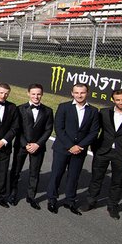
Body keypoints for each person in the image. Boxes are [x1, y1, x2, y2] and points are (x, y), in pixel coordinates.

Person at [85, 89, 122, 219]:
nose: (121, 102)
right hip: (102, 151)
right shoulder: (104, 112)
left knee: (117, 182)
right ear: (113, 100)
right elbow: (95, 130)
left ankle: (112, 206)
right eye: (118, 100)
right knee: (96, 178)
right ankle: (91, 201)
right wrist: (95, 148)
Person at [46, 83, 100, 214]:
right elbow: (59, 128)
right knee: (56, 174)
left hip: (80, 150)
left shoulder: (93, 111)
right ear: (72, 93)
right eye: (76, 92)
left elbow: (94, 131)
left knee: (74, 176)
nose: (79, 95)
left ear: (87, 93)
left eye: (82, 93)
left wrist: (80, 146)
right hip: (62, 148)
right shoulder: (64, 107)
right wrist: (70, 146)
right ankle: (52, 200)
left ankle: (70, 201)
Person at [9, 84, 54, 209]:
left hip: (38, 147)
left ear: (42, 94)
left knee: (35, 172)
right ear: (28, 93)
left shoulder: (48, 111)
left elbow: (48, 129)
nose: (36, 96)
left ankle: (31, 196)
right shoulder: (20, 109)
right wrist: (26, 144)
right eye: (33, 94)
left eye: (38, 94)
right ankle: (12, 193)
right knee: (16, 171)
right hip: (22, 145)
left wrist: (38, 144)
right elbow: (17, 128)